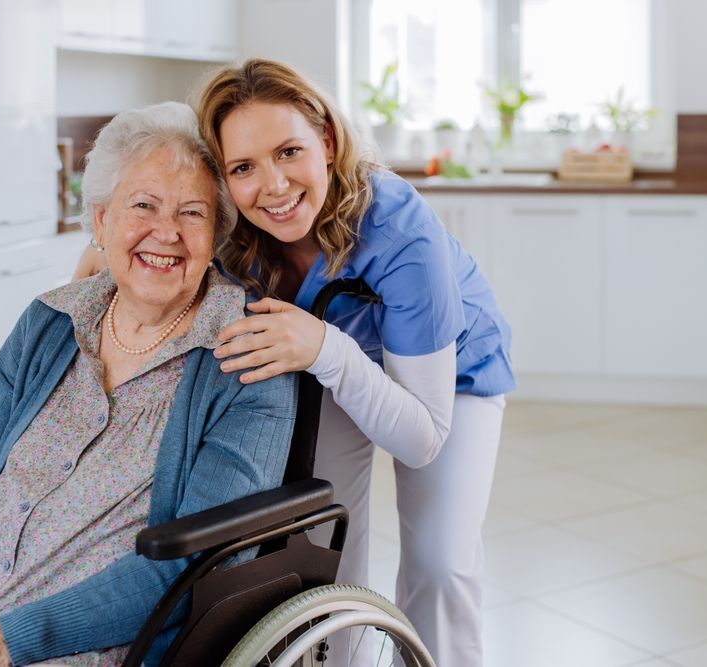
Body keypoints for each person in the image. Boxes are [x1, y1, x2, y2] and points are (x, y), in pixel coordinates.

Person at [0, 101, 296, 667]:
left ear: (217, 233)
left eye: (193, 213)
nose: (167, 233)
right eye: (143, 205)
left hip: (81, 649)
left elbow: (192, 563)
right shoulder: (49, 323)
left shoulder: (247, 357)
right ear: (101, 220)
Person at [194, 59, 514, 667]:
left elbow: (421, 437)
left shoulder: (398, 229)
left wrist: (326, 348)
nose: (273, 185)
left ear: (328, 141)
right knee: (323, 552)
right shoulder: (232, 232)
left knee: (441, 565)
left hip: (452, 377)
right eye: (243, 167)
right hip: (323, 364)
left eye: (289, 151)